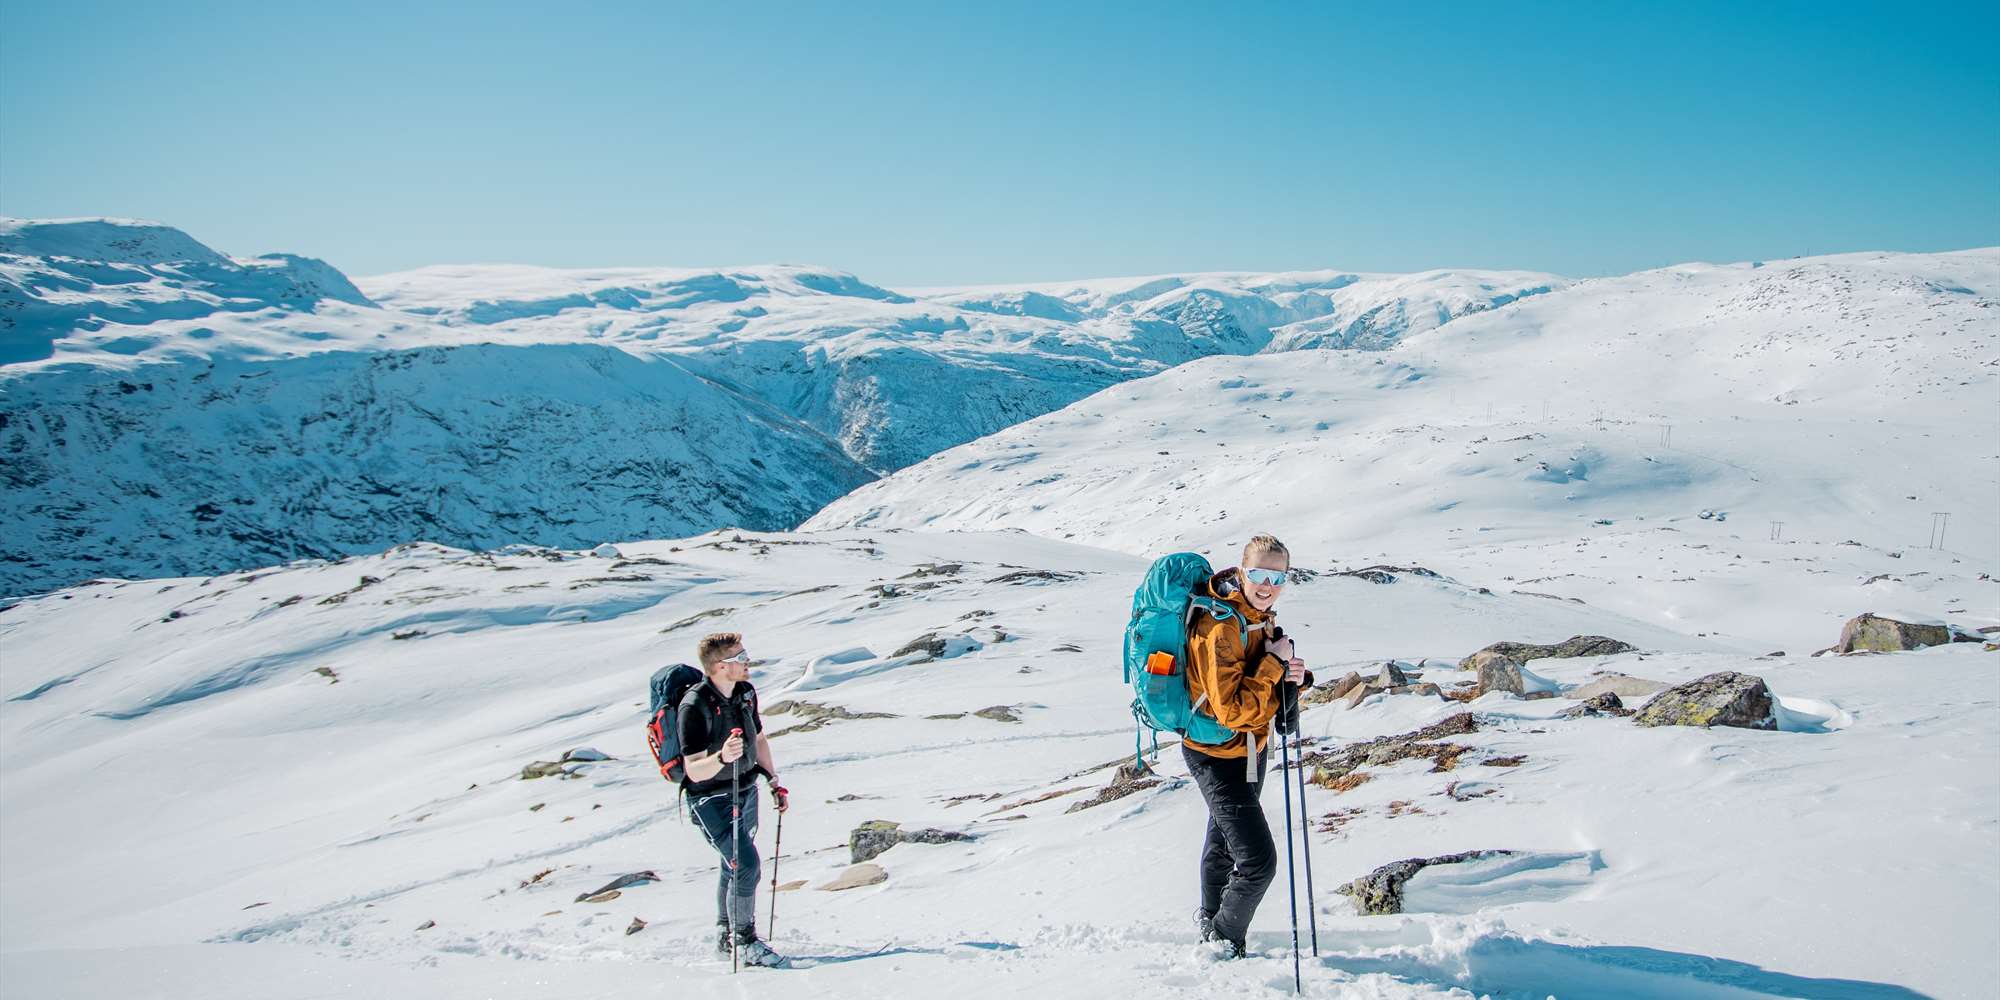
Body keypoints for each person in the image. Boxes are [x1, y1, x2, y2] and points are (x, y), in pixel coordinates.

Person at [1183, 534, 1311, 958]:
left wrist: (1292, 676)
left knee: (1222, 840)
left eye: (1277, 576)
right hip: (1217, 756)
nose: (1266, 584)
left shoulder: (1257, 616)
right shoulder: (1221, 626)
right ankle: (1223, 939)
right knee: (1259, 863)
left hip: (1248, 750)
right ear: (1240, 571)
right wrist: (1275, 664)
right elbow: (1232, 711)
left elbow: (1257, 679)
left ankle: (1210, 919)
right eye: (1257, 573)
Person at [677, 631, 791, 968]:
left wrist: (773, 780)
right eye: (740, 657)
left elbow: (759, 738)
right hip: (708, 800)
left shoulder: (745, 693)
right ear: (719, 667)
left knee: (734, 863)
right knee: (747, 864)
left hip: (746, 789)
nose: (747, 662)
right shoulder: (694, 705)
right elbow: (694, 770)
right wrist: (724, 758)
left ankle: (726, 935)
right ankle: (743, 941)